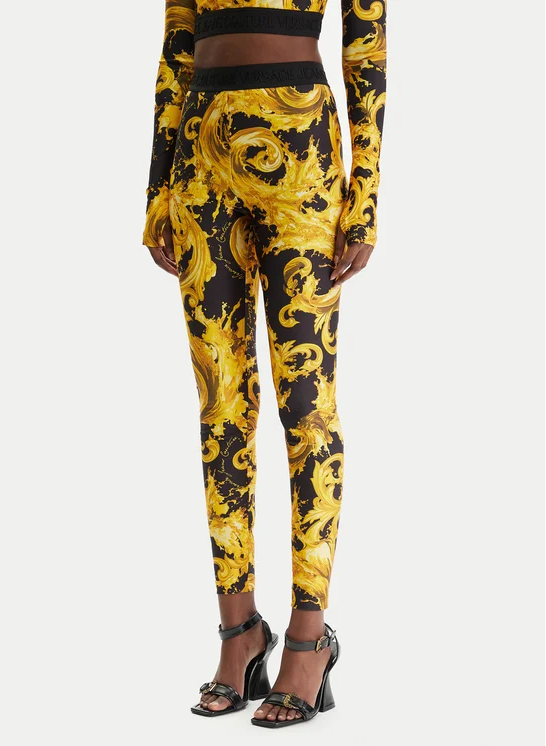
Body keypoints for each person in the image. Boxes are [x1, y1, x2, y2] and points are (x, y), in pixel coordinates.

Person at [142, 0, 386, 728]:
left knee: (306, 406)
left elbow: (366, 55)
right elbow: (177, 49)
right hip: (200, 160)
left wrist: (364, 199)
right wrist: (157, 188)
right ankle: (239, 632)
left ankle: (309, 640)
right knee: (221, 406)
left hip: (301, 153)